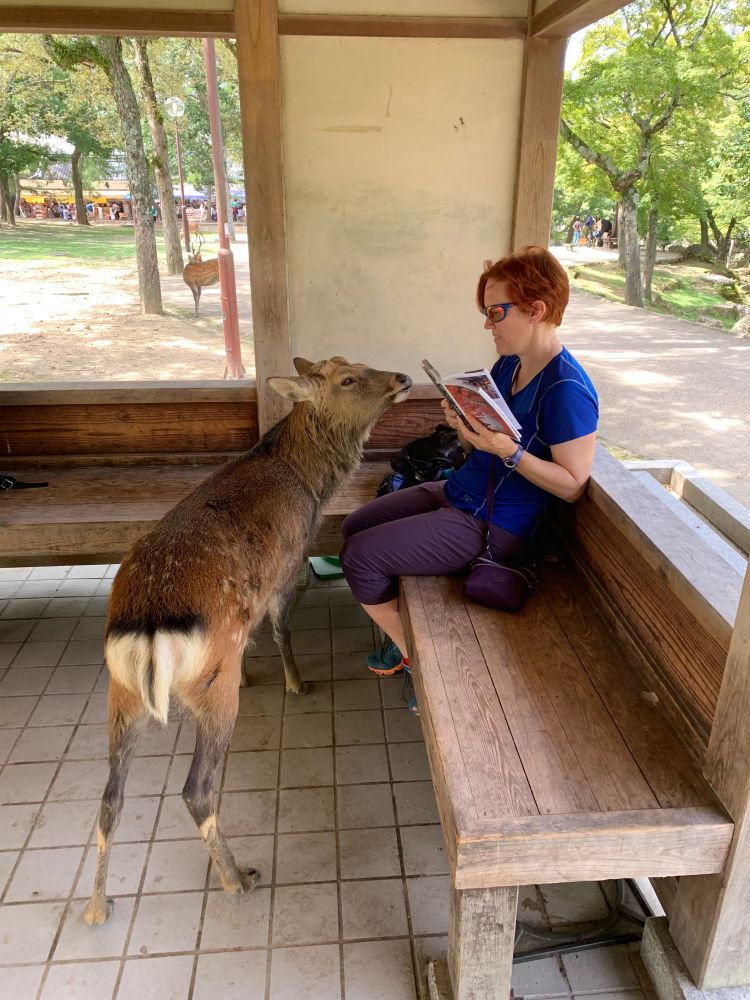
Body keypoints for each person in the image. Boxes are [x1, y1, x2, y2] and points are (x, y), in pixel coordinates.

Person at [340, 246, 599, 715]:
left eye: (495, 312)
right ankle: (403, 638)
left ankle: (416, 660)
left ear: (537, 309)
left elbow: (572, 484)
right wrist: (465, 430)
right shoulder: (510, 366)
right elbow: (488, 442)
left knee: (358, 557)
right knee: (353, 527)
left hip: (496, 524)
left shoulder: (567, 390)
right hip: (464, 493)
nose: (487, 325)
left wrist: (510, 451)